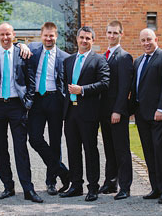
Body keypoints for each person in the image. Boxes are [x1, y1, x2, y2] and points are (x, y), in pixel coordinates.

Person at [0, 22, 43, 203]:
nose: (5, 37)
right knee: (0, 149)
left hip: (17, 106)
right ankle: (8, 186)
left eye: (8, 34)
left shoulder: (23, 54)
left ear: (13, 35)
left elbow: (30, 80)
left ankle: (28, 189)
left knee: (20, 149)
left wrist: (28, 102)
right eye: (2, 34)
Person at [59, 26, 109, 201]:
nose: (84, 41)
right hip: (70, 112)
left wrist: (83, 90)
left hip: (88, 113)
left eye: (88, 38)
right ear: (77, 39)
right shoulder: (69, 60)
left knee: (90, 150)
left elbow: (105, 83)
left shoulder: (99, 60)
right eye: (82, 37)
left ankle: (93, 187)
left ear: (93, 41)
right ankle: (76, 185)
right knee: (73, 150)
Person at [24, 22, 71, 195]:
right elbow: (14, 46)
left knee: (55, 142)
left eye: (52, 36)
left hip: (55, 101)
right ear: (41, 35)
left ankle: (51, 181)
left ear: (56, 36)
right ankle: (63, 172)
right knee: (34, 138)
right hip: (36, 100)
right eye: (46, 35)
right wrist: (20, 44)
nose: (49, 38)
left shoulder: (65, 57)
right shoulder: (32, 52)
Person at [132, 28, 162, 204]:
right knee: (148, 152)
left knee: (160, 151)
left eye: (149, 39)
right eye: (143, 40)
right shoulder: (138, 61)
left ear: (156, 39)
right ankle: (155, 187)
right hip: (142, 115)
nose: (146, 43)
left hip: (158, 114)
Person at [100, 20, 133, 199]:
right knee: (109, 149)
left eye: (115, 33)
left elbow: (124, 87)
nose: (112, 36)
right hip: (104, 112)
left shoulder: (124, 57)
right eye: (109, 32)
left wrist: (118, 110)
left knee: (121, 150)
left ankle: (125, 187)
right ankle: (110, 182)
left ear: (121, 34)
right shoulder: (103, 56)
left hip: (116, 112)